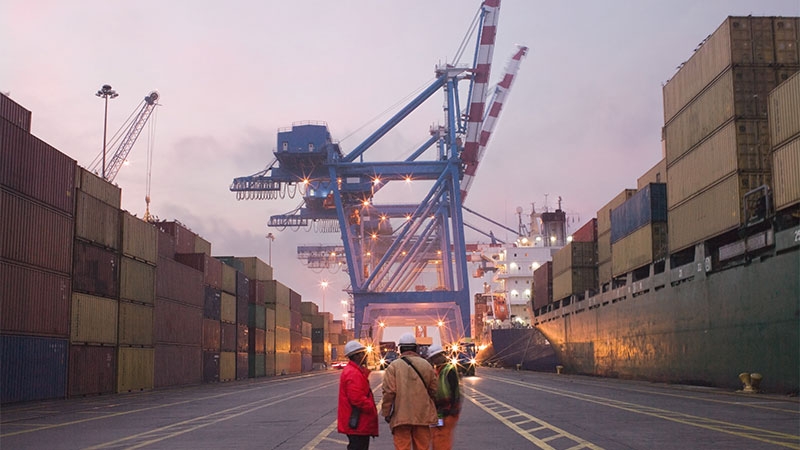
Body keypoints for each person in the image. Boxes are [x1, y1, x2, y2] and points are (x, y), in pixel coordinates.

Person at [381, 333, 438, 450]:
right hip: (422, 415)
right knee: (422, 447)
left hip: (401, 417)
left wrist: (386, 413)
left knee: (402, 447)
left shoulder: (393, 366)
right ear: (416, 348)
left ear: (400, 349)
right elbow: (434, 389)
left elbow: (389, 392)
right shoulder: (426, 365)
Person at [338, 340, 379, 450]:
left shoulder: (353, 371)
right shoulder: (353, 373)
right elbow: (357, 399)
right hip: (359, 423)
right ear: (356, 356)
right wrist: (371, 407)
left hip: (357, 422)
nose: (365, 356)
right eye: (363, 353)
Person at [426, 344, 462, 450]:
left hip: (447, 411)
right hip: (439, 412)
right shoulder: (438, 370)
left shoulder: (449, 370)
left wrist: (453, 410)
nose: (435, 360)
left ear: (442, 355)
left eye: (436, 357)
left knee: (442, 439)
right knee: (436, 437)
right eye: (433, 358)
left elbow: (456, 391)